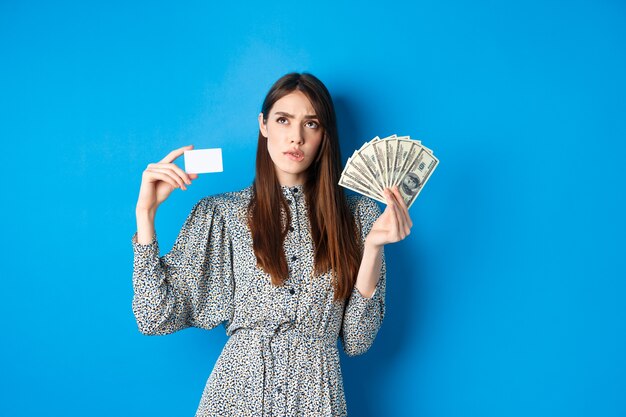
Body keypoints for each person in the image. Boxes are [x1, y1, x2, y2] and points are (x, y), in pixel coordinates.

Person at [132, 72, 413, 416]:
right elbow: (153, 316)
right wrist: (145, 215)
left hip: (317, 400)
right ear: (263, 125)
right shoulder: (222, 214)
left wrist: (373, 249)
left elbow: (357, 340)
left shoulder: (359, 218)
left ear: (325, 135)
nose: (296, 137)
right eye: (283, 120)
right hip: (237, 397)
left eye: (311, 124)